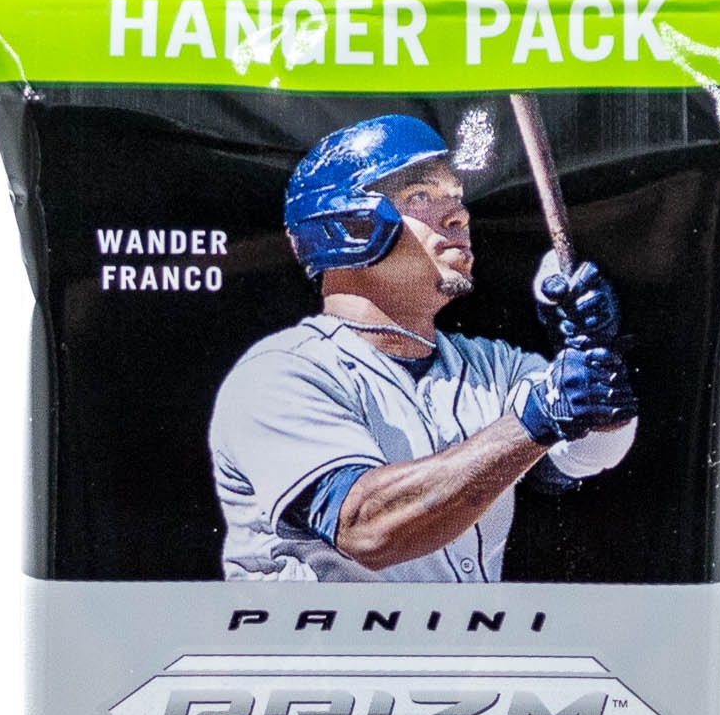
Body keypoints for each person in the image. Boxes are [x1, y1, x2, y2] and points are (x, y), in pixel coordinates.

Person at [209, 115, 637, 582]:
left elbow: (584, 457)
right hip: (325, 633)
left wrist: (591, 356)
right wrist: (534, 421)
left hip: (462, 633)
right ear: (350, 224)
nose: (459, 216)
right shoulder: (280, 373)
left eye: (456, 197)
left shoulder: (491, 364)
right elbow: (367, 528)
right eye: (420, 196)